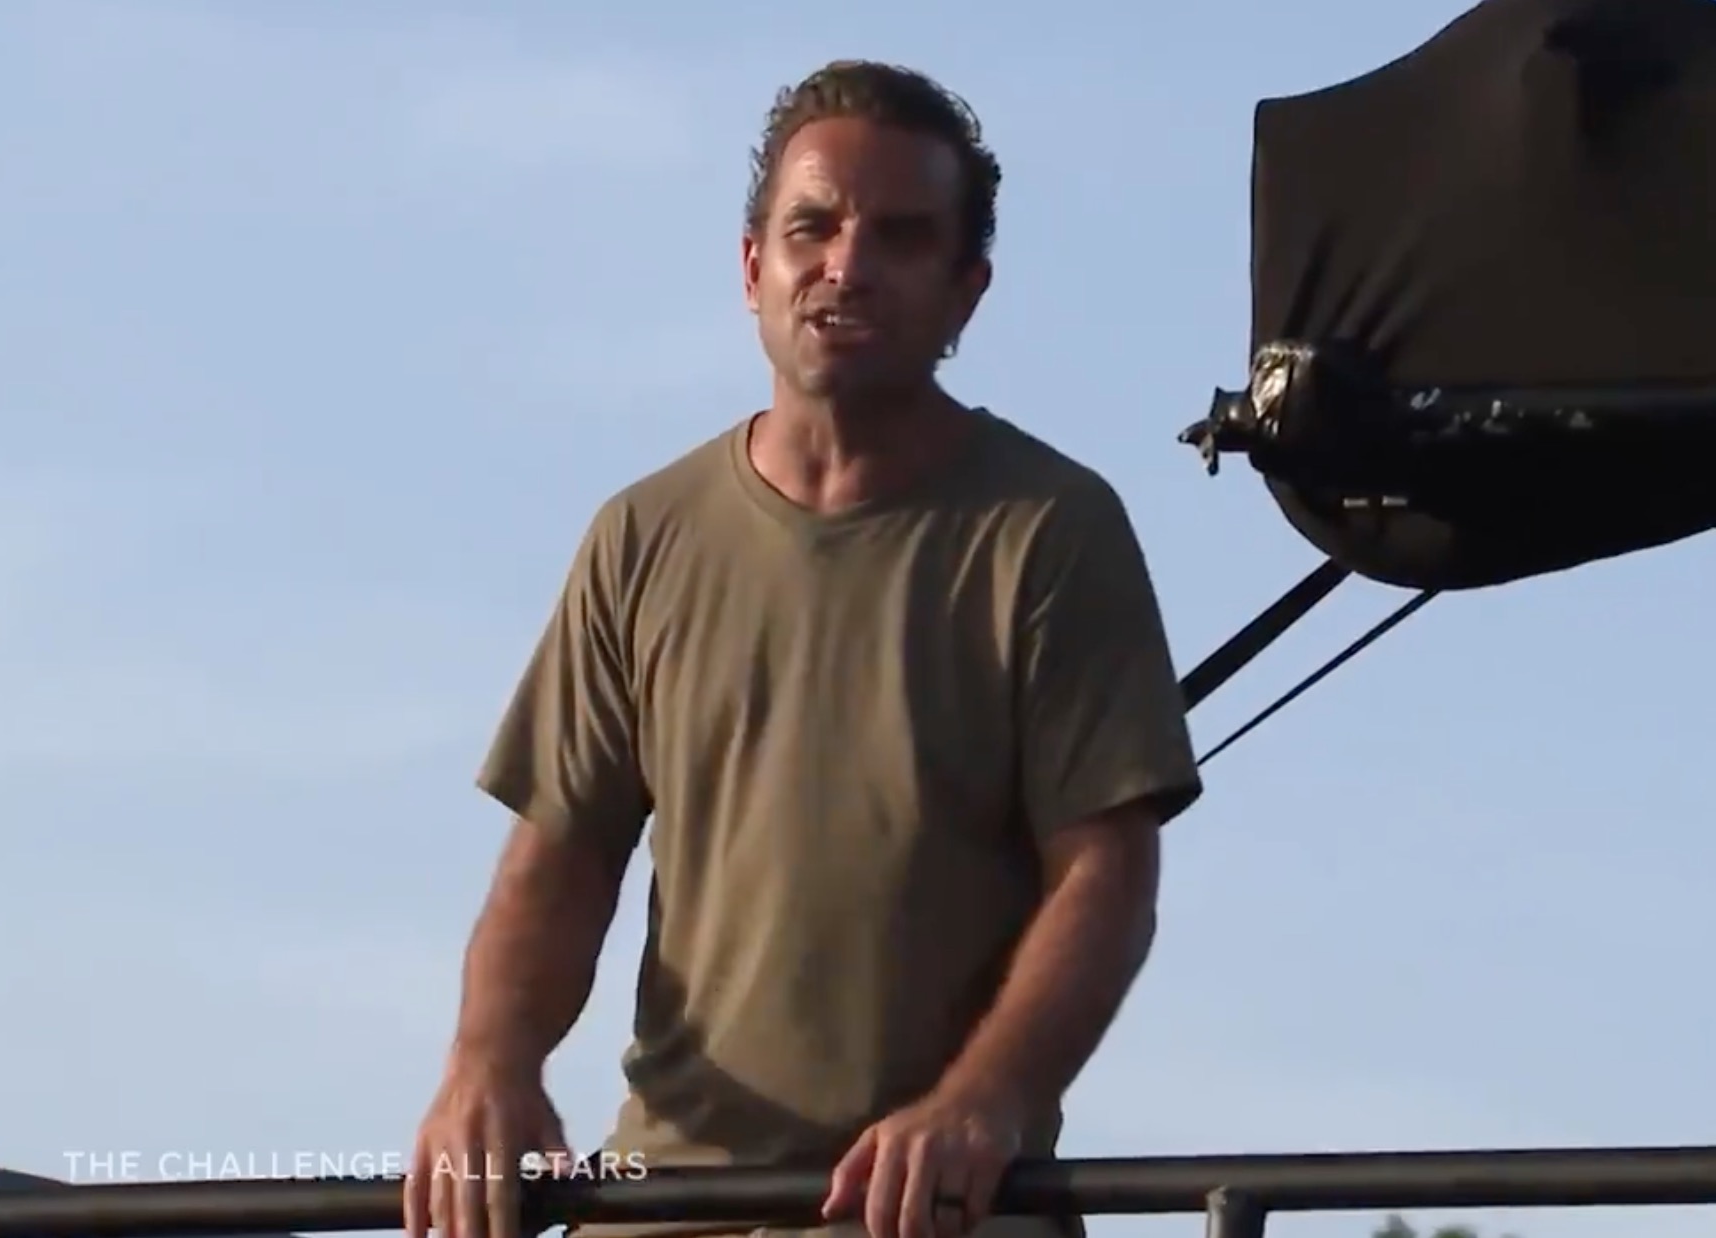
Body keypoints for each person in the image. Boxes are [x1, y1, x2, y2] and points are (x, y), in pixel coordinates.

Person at [401, 59, 1203, 1238]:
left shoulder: (1048, 529)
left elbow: (1107, 875)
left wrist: (982, 1100)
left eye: (899, 236)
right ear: (751, 268)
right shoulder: (642, 535)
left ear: (967, 291)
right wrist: (487, 1063)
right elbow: (560, 858)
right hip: (668, 1198)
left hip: (925, 1211)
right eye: (811, 227)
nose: (846, 264)